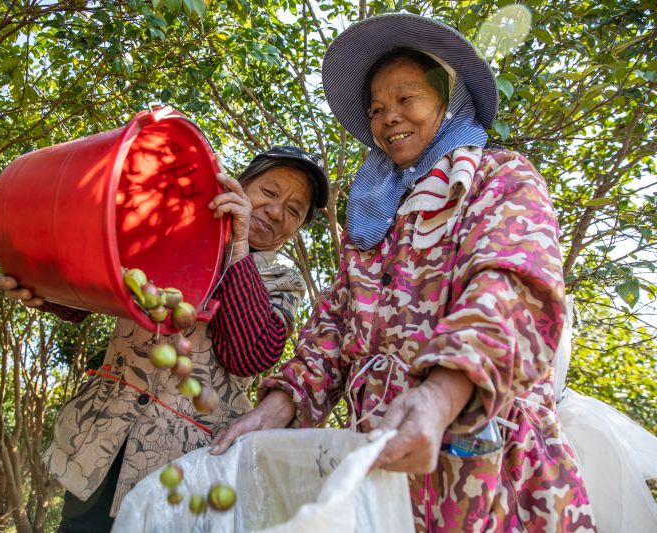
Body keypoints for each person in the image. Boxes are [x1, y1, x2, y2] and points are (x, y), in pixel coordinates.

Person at [210, 13, 597, 531]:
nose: (389, 117)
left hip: (484, 461)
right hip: (382, 460)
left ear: (448, 100)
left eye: (406, 99)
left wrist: (439, 396)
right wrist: (279, 406)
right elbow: (335, 322)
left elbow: (511, 286)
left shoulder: (497, 179)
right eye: (376, 108)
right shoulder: (374, 217)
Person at [0, 145, 329, 532]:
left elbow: (248, 356)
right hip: (101, 445)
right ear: (240, 184)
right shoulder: (172, 228)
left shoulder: (283, 280)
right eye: (269, 193)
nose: (275, 212)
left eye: (293, 211)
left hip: (184, 466)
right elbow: (105, 285)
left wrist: (238, 249)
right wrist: (43, 290)